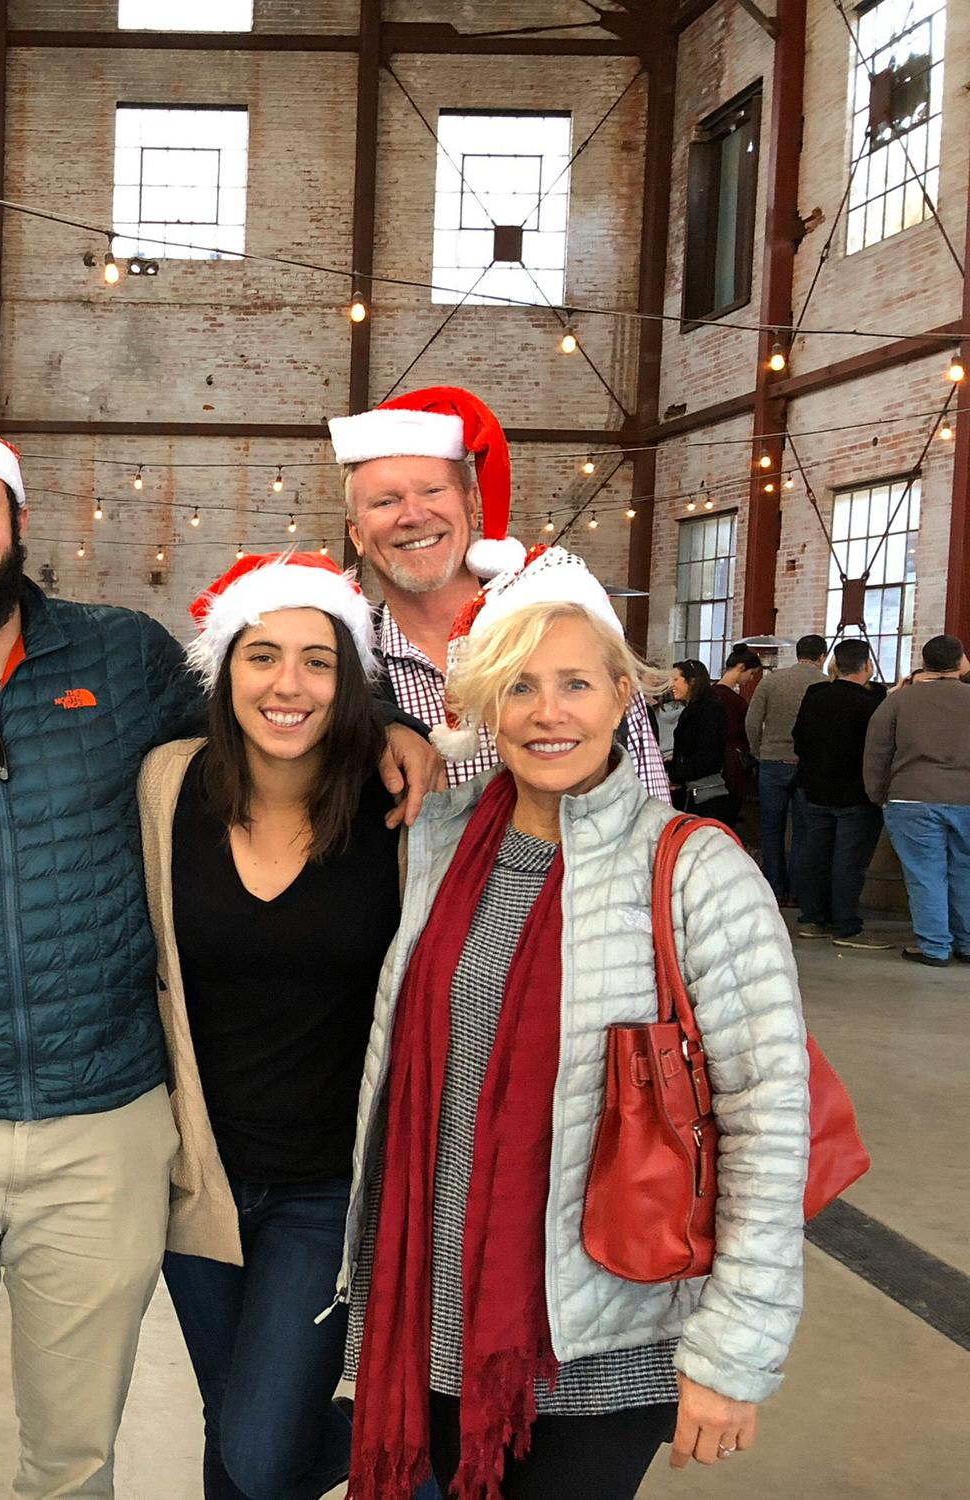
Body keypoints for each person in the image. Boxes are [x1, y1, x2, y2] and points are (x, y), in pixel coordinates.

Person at [0, 424, 441, 1500]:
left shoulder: (123, 658)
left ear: (16, 524)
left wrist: (383, 725)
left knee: (74, 1459)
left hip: (109, 1129)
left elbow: (271, 712)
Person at [338, 545, 809, 1500]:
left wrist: (736, 1352)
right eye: (519, 687)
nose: (548, 712)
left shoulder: (694, 869)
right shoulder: (440, 838)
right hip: (434, 1309)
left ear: (622, 701)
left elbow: (769, 1120)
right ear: (486, 708)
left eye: (576, 684)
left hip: (605, 1330)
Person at [137, 553, 415, 1500]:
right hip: (197, 1178)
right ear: (224, 671)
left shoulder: (399, 809)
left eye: (317, 661)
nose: (287, 685)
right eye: (261, 656)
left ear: (351, 685)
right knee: (238, 1441)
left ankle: (412, 1439)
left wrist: (406, 732)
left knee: (261, 1449)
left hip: (325, 1190)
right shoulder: (168, 788)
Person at [330, 385, 671, 801]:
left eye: (433, 491)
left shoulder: (565, 633)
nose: (414, 515)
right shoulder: (345, 670)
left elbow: (653, 819)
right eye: (385, 502)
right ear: (356, 534)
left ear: (473, 505)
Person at [863, 633, 970, 967]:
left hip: (910, 798)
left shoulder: (897, 701)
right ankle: (967, 943)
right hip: (965, 798)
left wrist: (878, 794)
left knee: (925, 874)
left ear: (924, 662)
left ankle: (935, 946)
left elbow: (877, 752)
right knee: (964, 871)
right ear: (961, 662)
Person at [792, 639, 889, 948]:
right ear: (868, 667)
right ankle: (846, 926)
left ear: (834, 665)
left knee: (815, 854)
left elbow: (799, 737)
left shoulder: (815, 695)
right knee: (849, 860)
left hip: (815, 788)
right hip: (855, 794)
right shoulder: (872, 704)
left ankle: (813, 918)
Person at [746, 634, 829, 902]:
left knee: (772, 829)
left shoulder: (772, 681)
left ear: (797, 654)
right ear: (822, 657)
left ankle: (774, 888)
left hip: (772, 761)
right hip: (809, 764)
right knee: (803, 830)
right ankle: (798, 892)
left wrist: (758, 750)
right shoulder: (825, 684)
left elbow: (752, 721)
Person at [663, 660, 736, 825]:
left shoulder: (710, 710)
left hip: (704, 795)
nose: (671, 685)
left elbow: (707, 755)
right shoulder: (691, 709)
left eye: (676, 680)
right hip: (690, 788)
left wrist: (673, 776)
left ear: (692, 681)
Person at [711, 645, 762, 802]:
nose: (751, 678)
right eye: (751, 673)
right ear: (741, 667)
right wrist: (751, 724)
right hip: (729, 761)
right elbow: (729, 729)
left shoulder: (714, 693)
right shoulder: (728, 698)